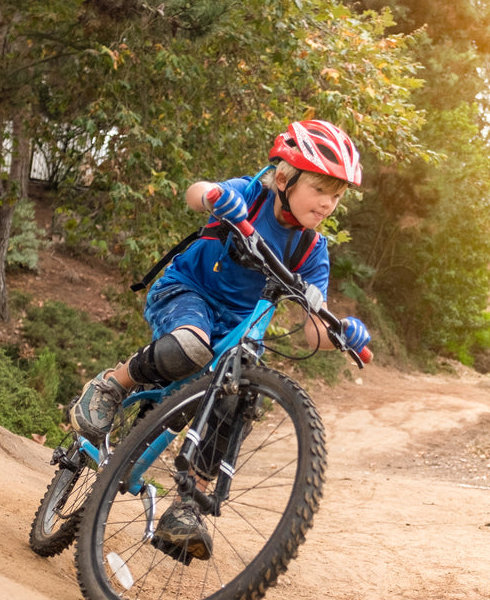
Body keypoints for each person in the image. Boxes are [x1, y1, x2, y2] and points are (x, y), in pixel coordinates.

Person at [68, 119, 372, 560]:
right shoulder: (252, 194)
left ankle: (187, 506)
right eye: (321, 189)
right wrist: (215, 196)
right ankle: (114, 383)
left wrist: (341, 333)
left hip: (243, 329)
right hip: (188, 293)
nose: (328, 203)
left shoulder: (312, 249)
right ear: (284, 177)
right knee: (190, 347)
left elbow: (313, 330)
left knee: (239, 396)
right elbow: (197, 192)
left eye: (337, 195)